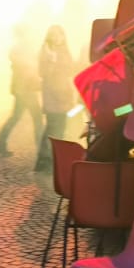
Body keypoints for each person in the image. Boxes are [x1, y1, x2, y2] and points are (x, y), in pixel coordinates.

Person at [0, 24, 42, 156]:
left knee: (16, 117)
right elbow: (25, 66)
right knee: (36, 118)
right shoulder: (21, 48)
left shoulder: (21, 47)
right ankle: (42, 149)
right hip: (25, 89)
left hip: (23, 88)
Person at [36, 25, 76, 172]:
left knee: (57, 128)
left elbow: (71, 68)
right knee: (54, 128)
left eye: (59, 34)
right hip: (52, 94)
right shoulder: (46, 50)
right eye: (54, 35)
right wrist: (52, 61)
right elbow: (42, 73)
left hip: (64, 93)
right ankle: (47, 161)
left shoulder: (64, 50)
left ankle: (45, 161)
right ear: (49, 36)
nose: (57, 37)